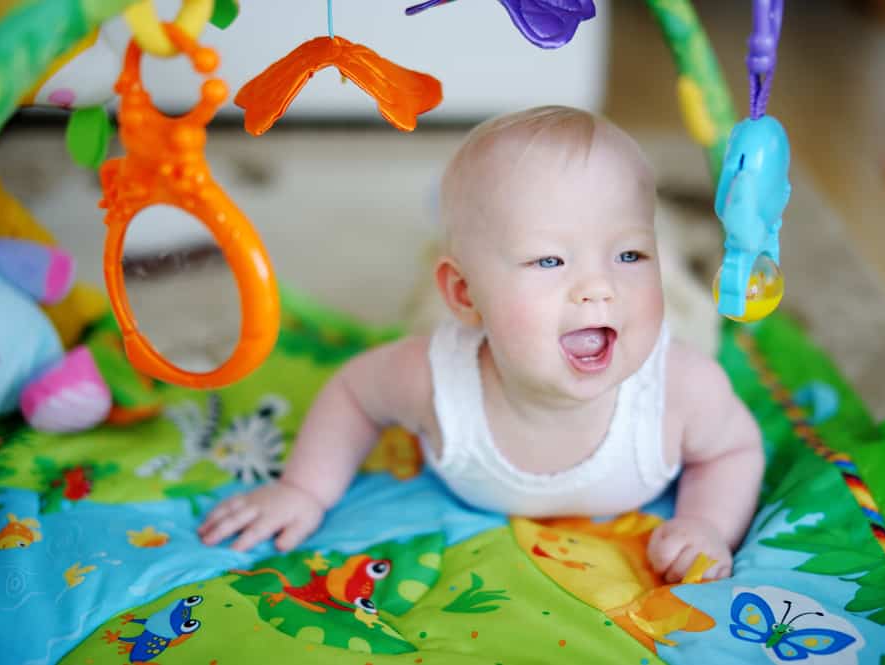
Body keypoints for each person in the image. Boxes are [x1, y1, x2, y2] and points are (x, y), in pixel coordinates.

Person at [199, 106, 764, 582]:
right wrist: (304, 488)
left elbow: (732, 450)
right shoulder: (433, 379)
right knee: (428, 298)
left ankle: (654, 237)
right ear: (465, 294)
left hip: (668, 318)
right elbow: (354, 393)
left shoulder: (681, 389)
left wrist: (708, 523)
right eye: (550, 260)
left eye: (630, 256)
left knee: (690, 311)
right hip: (462, 314)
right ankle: (459, 246)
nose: (598, 287)